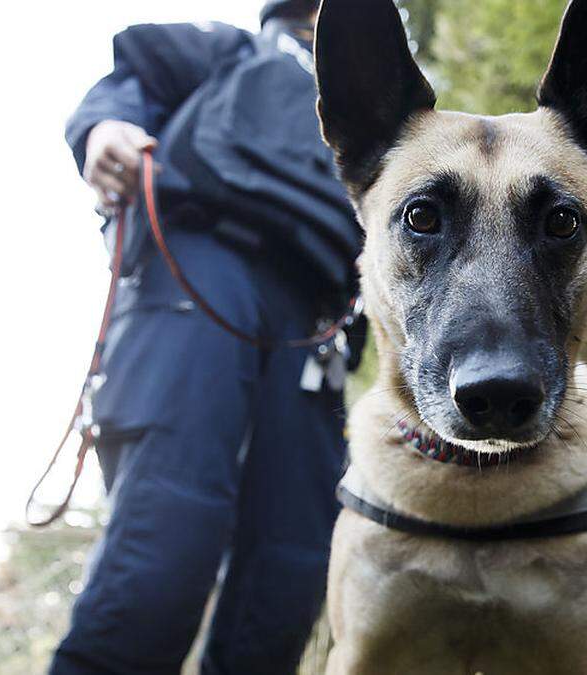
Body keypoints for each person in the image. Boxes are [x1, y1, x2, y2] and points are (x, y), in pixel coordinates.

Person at [51, 1, 364, 672]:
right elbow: (131, 80)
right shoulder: (233, 53)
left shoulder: (370, 102)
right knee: (167, 530)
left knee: (290, 568)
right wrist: (106, 127)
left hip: (318, 319)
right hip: (199, 265)